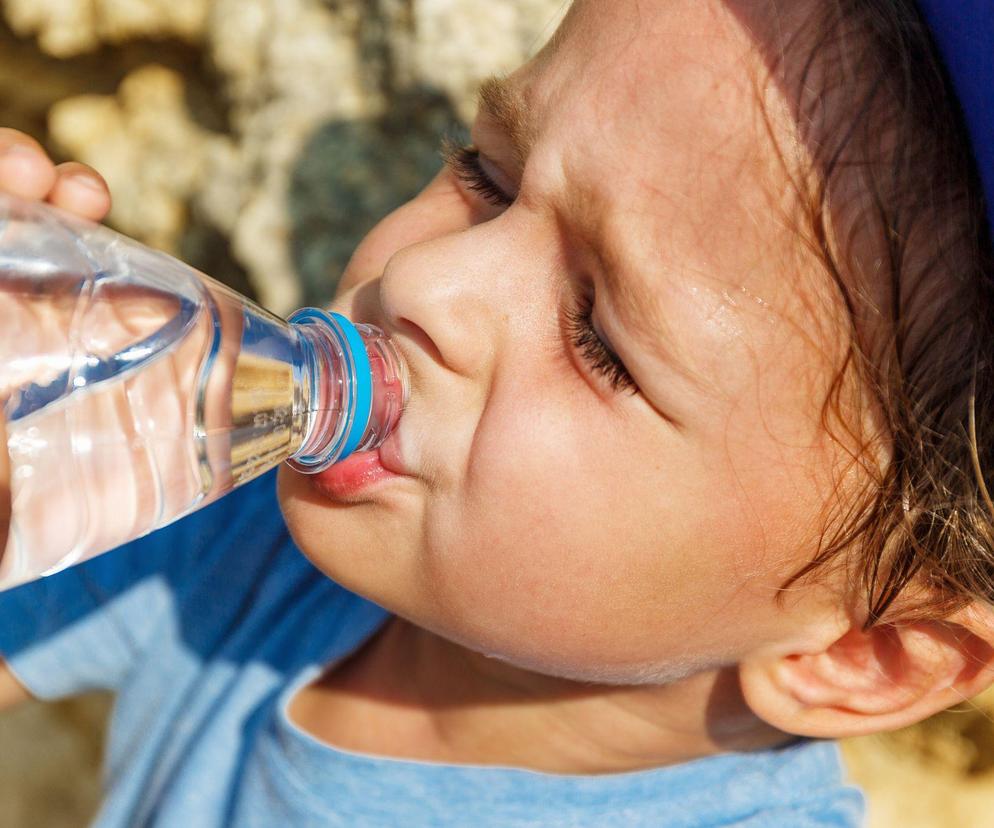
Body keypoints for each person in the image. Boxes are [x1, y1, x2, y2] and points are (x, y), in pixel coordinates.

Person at [0, 0, 992, 824]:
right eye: (488, 172)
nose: (424, 279)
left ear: (858, 654)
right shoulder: (249, 526)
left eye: (599, 338)